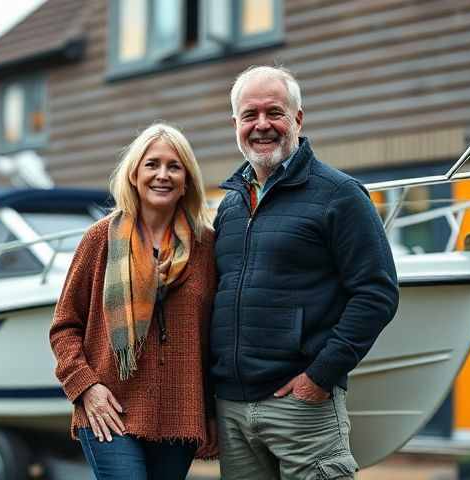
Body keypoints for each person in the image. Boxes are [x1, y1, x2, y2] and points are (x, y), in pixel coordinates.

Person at [210, 65, 400, 479]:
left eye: (274, 112)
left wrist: (319, 377)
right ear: (235, 125)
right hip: (233, 411)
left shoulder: (340, 195)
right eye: (249, 115)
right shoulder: (229, 206)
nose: (262, 125)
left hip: (302, 408)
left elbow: (376, 293)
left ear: (297, 118)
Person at [49, 123, 217, 480]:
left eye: (174, 166)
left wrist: (212, 412)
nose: (162, 175)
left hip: (180, 413)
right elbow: (64, 326)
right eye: (152, 164)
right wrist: (85, 387)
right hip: (108, 408)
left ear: (187, 180)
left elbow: (213, 339)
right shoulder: (100, 239)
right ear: (134, 175)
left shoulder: (206, 247)